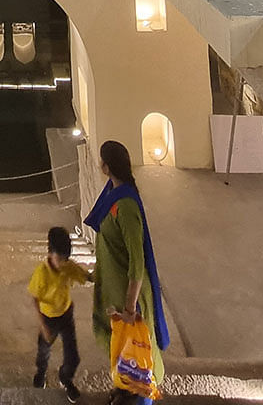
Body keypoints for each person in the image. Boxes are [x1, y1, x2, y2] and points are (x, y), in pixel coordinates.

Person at [85, 141, 170, 405]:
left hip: (128, 295)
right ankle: (124, 390)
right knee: (121, 350)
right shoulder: (112, 193)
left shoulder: (126, 205)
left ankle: (140, 398)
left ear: (106, 166)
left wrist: (131, 307)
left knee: (139, 357)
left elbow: (137, 261)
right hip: (114, 288)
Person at [28, 226, 91, 402]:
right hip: (48, 319)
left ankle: (66, 377)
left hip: (66, 315)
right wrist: (43, 326)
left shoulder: (68, 266)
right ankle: (41, 373)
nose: (63, 262)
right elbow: (34, 299)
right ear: (50, 252)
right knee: (43, 352)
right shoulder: (41, 274)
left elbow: (85, 276)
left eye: (65, 259)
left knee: (73, 357)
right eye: (59, 258)